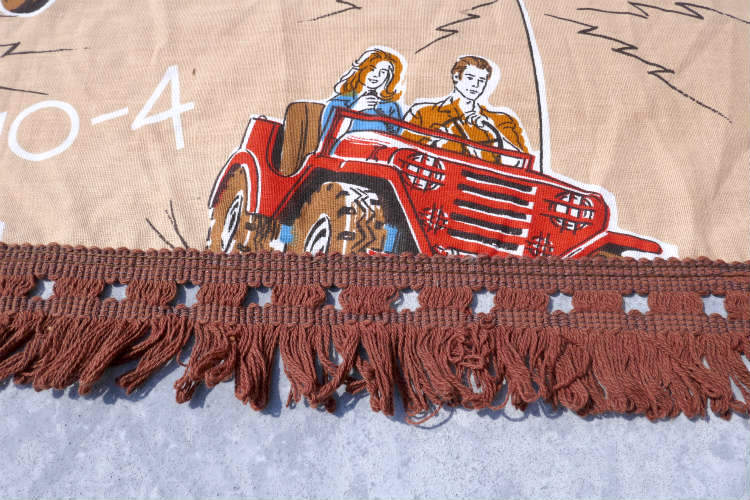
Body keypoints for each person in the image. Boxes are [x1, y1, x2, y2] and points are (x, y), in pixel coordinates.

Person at [402, 55, 528, 163]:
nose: (475, 85)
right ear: (456, 77)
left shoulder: (501, 120)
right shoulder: (423, 112)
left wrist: (493, 131)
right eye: (470, 78)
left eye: (481, 80)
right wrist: (431, 142)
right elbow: (401, 151)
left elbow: (520, 163)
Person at [319, 47, 404, 140]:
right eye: (372, 69)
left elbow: (396, 139)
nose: (376, 75)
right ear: (361, 70)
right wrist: (355, 109)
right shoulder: (339, 102)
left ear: (388, 78)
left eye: (383, 72)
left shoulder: (391, 106)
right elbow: (328, 139)